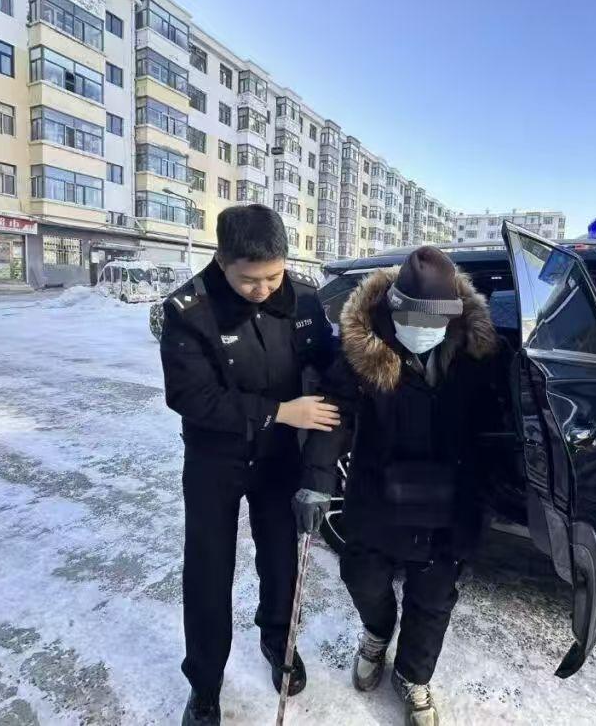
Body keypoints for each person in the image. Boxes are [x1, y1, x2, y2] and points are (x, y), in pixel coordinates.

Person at [295, 246, 503, 726]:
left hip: (448, 497)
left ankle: (413, 676)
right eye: (412, 319)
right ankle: (376, 632)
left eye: (434, 321)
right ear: (393, 310)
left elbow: (497, 427)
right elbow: (333, 413)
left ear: (452, 316)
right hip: (377, 490)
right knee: (362, 577)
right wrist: (316, 482)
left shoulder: (478, 353)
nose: (422, 330)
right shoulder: (364, 349)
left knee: (433, 598)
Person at [159, 204, 338, 726]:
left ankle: (278, 641)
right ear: (222, 261)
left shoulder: (303, 297)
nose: (262, 289)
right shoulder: (189, 309)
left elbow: (324, 364)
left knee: (280, 557)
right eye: (249, 280)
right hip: (215, 458)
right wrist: (280, 410)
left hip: (279, 455)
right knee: (208, 569)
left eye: (272, 277)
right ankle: (205, 683)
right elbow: (191, 396)